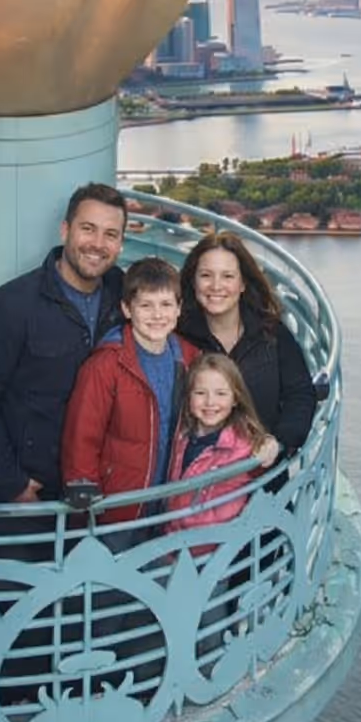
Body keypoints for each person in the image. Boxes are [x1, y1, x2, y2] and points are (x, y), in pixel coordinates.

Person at [0, 181, 127, 705]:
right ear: (65, 230)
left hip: (96, 494)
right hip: (28, 494)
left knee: (85, 614)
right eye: (88, 229)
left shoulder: (125, 297)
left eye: (110, 234)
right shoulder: (9, 306)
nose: (97, 243)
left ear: (121, 243)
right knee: (21, 621)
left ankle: (77, 719)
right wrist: (8, 483)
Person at [60, 257, 199, 549]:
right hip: (118, 506)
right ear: (127, 309)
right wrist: (85, 495)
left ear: (179, 308)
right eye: (146, 305)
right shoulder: (106, 365)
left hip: (168, 501)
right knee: (111, 587)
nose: (157, 315)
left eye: (165, 305)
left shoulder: (189, 358)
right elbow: (81, 436)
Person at [177, 231, 317, 464]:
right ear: (193, 281)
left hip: (262, 477)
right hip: (200, 480)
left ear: (242, 283)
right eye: (206, 275)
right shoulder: (178, 335)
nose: (216, 286)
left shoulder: (272, 333)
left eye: (228, 276)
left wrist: (278, 441)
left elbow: (300, 393)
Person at [165, 353, 277, 551]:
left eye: (221, 394)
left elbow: (262, 465)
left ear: (235, 398)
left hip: (213, 553)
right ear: (188, 396)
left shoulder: (244, 445)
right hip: (172, 540)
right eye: (200, 393)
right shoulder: (181, 433)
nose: (210, 402)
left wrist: (269, 444)